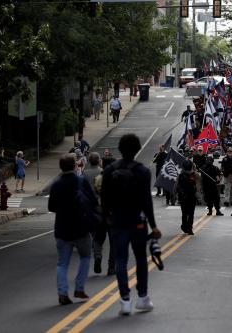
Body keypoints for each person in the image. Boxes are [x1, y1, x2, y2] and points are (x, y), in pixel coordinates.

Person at [101, 134, 161, 315]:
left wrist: (107, 218)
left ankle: (125, 299)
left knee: (121, 260)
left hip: (118, 221)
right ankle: (142, 297)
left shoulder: (110, 170)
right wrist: (153, 225)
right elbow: (146, 201)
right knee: (141, 259)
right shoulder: (142, 171)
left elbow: (104, 198)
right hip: (138, 222)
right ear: (138, 150)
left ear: (119, 149)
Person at [48, 153, 95, 305]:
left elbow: (51, 207)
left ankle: (62, 293)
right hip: (81, 227)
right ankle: (79, 287)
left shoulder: (55, 184)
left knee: (62, 263)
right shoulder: (81, 181)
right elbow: (93, 200)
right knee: (86, 256)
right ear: (75, 166)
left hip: (62, 228)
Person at [175, 160, 197, 235]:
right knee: (190, 213)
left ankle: (185, 227)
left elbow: (175, 186)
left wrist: (174, 195)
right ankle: (189, 228)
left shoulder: (180, 175)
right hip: (190, 197)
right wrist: (194, 168)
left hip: (183, 197)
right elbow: (200, 180)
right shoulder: (194, 175)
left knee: (185, 213)